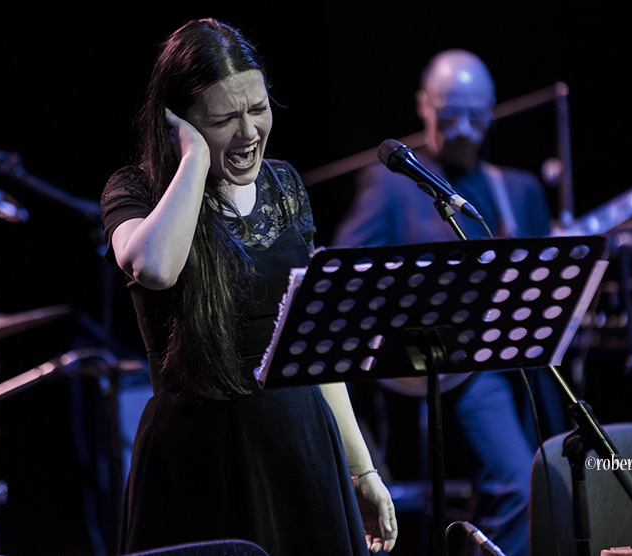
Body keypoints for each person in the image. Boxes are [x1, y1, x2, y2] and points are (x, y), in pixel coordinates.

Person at [100, 18, 397, 556]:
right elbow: (156, 268)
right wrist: (191, 159)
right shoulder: (137, 190)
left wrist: (362, 468)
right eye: (222, 120)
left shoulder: (284, 186)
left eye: (257, 109)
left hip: (300, 445)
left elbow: (318, 343)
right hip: (200, 461)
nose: (248, 134)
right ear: (178, 122)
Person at [332, 49, 565, 556]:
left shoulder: (518, 190)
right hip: (452, 371)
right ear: (423, 106)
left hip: (522, 365)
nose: (462, 129)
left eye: (476, 116)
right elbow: (341, 280)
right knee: (519, 486)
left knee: (564, 482)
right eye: (449, 113)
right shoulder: (392, 186)